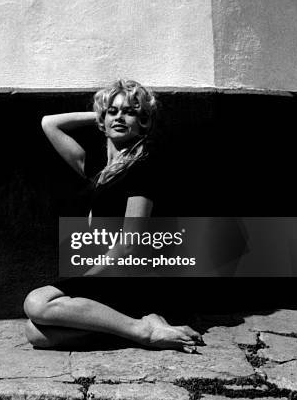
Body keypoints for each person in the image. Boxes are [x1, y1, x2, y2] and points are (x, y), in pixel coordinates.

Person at [23, 79, 203, 351]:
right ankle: (139, 325)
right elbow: (50, 123)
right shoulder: (101, 167)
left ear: (143, 121)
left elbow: (131, 243)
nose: (119, 117)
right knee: (36, 333)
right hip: (105, 273)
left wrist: (88, 279)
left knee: (36, 303)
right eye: (113, 111)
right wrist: (100, 114)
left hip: (124, 276)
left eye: (130, 112)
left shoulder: (143, 166)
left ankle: (143, 331)